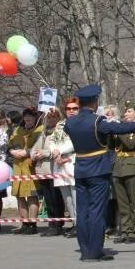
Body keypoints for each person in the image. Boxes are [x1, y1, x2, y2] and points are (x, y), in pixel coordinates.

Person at [65, 84, 135, 261]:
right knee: (97, 211)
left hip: (80, 168)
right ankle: (95, 251)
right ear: (95, 102)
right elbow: (123, 129)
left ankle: (85, 250)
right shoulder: (97, 122)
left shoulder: (70, 122)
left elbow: (70, 131)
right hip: (98, 169)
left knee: (82, 211)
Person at [111, 102, 135, 243]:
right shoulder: (122, 127)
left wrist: (118, 129)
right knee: (122, 203)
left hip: (132, 166)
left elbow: (131, 144)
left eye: (129, 111)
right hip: (118, 167)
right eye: (125, 112)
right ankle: (125, 230)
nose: (126, 114)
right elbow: (110, 145)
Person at [30, 107, 67, 236]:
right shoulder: (43, 132)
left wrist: (44, 153)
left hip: (54, 169)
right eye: (49, 117)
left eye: (54, 117)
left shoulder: (60, 131)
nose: (51, 120)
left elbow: (59, 148)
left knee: (56, 198)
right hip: (42, 170)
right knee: (48, 199)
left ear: (58, 118)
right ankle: (52, 223)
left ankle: (57, 224)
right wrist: (34, 154)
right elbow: (34, 148)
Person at [8, 108, 43, 234]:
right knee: (20, 196)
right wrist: (12, 151)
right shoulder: (17, 130)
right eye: (26, 116)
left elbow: (40, 146)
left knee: (32, 196)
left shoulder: (40, 130)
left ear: (35, 117)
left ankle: (32, 224)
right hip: (18, 166)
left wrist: (27, 152)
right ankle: (24, 223)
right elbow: (10, 144)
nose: (27, 118)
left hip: (31, 166)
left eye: (31, 116)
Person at [53, 98, 79, 237]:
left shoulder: (81, 123)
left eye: (74, 108)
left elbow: (77, 142)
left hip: (74, 162)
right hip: (59, 163)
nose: (71, 111)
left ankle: (81, 225)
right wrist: (55, 152)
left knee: (76, 197)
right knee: (67, 198)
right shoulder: (60, 124)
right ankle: (75, 224)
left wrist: (61, 151)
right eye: (69, 109)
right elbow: (52, 140)